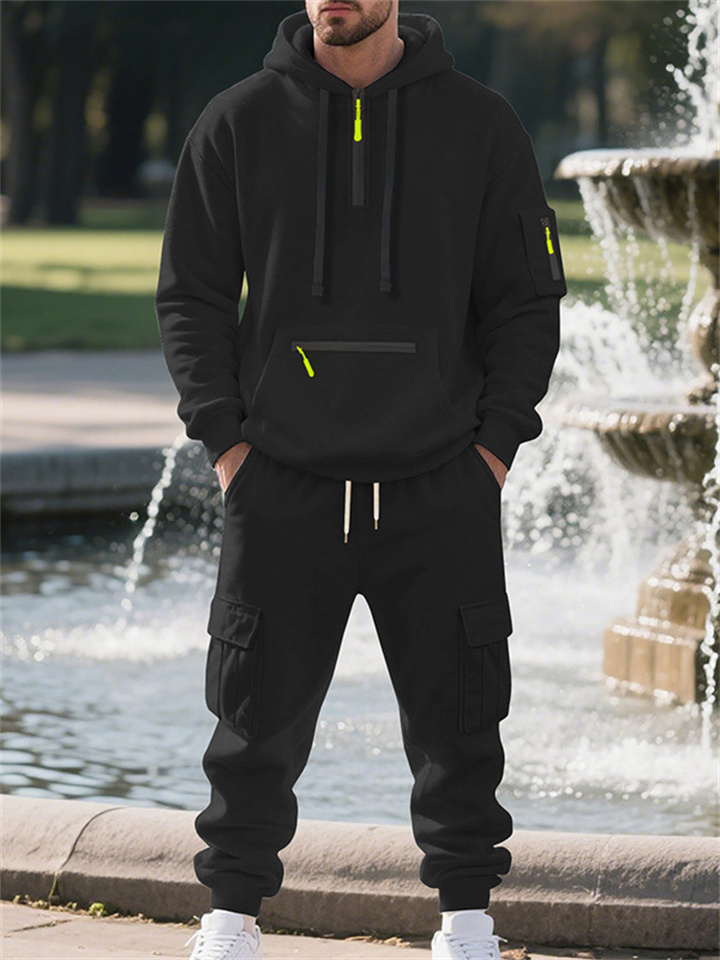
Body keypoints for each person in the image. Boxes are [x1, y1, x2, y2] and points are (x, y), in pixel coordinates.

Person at [156, 2, 567, 958]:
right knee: (249, 722)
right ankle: (230, 923)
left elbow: (528, 301)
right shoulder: (236, 121)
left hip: (440, 485)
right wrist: (227, 447)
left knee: (462, 723)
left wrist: (494, 450)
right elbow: (191, 295)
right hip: (281, 484)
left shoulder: (482, 124)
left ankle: (467, 926)